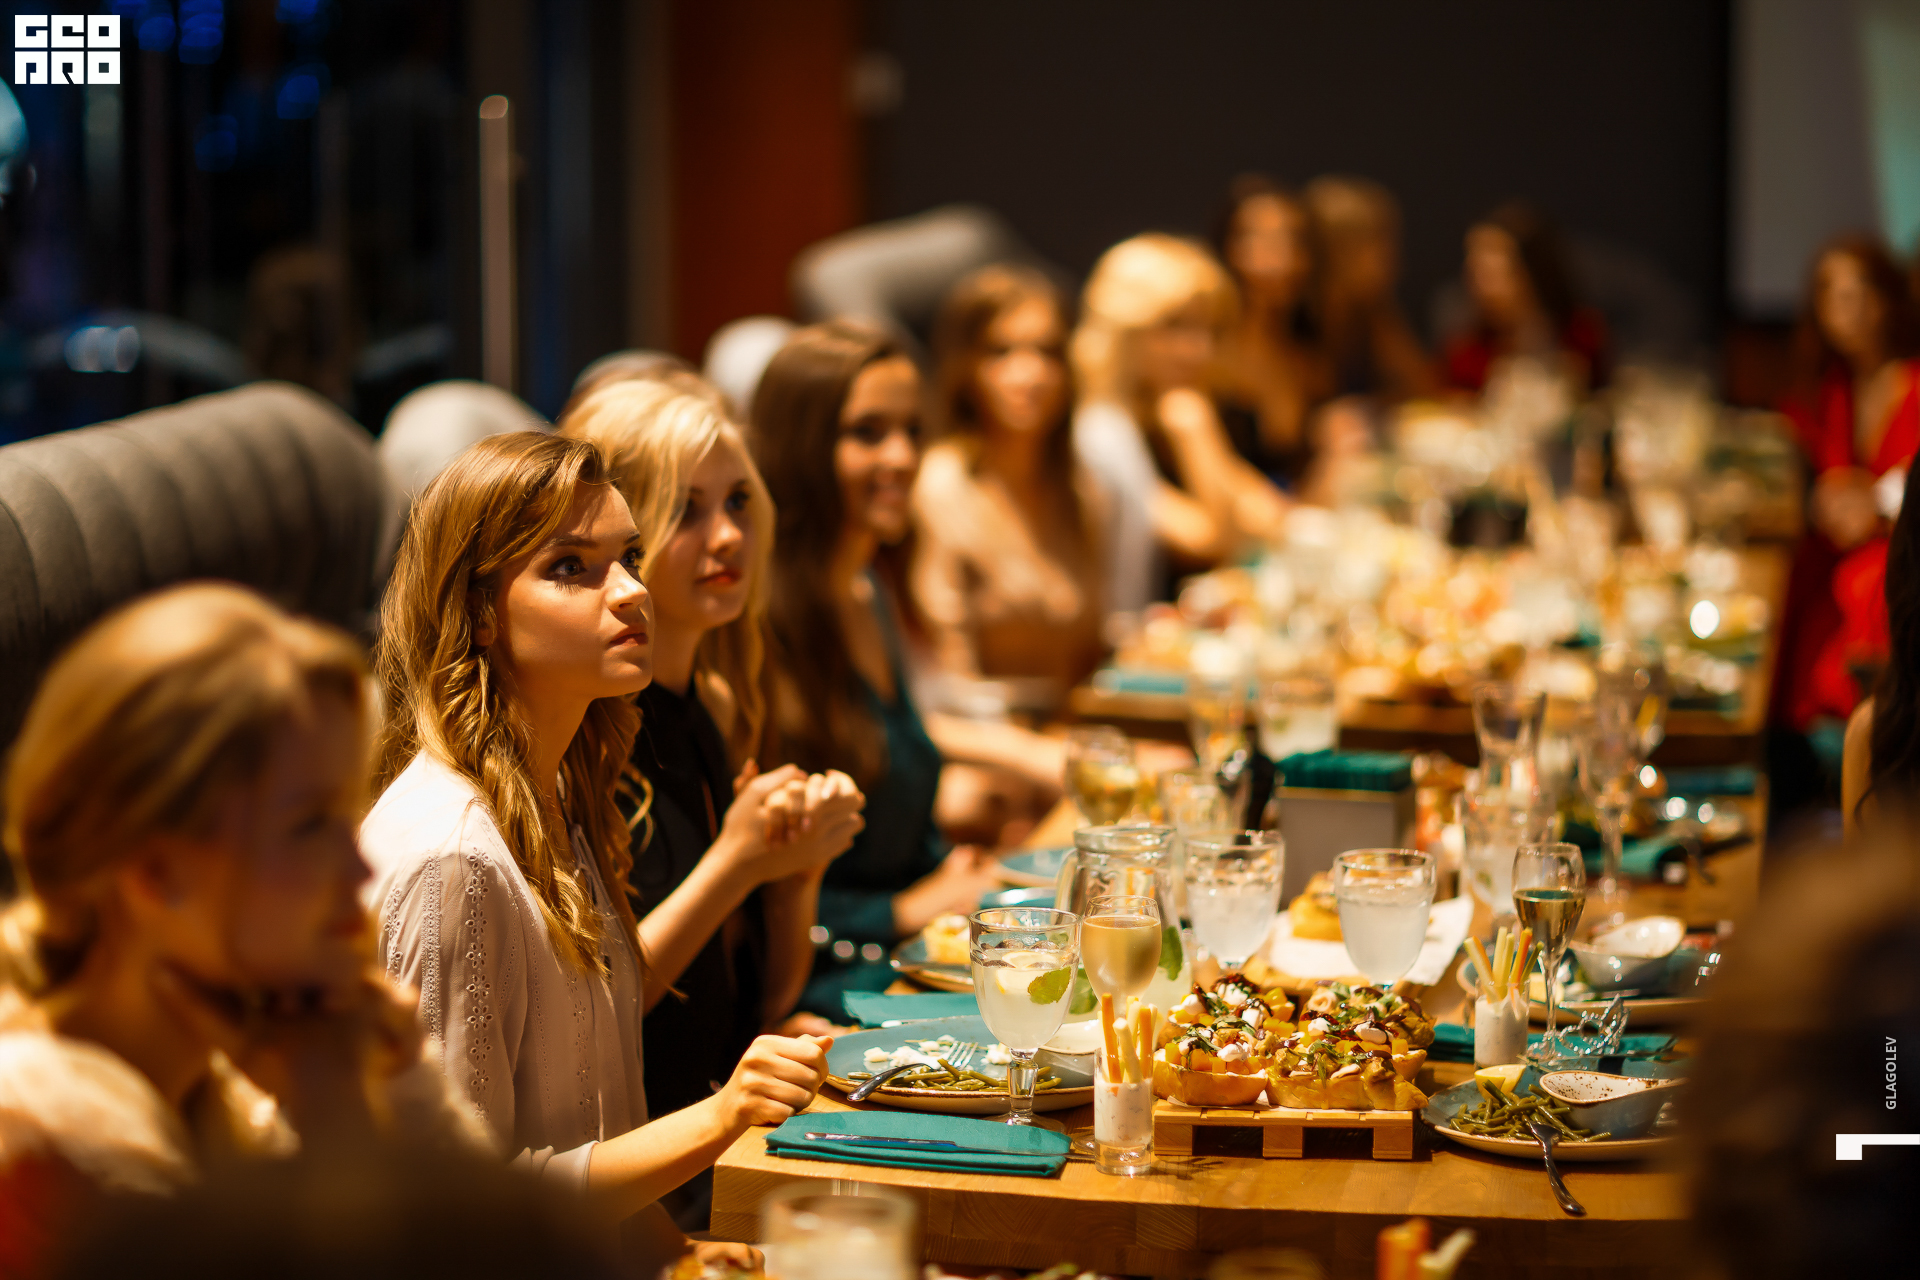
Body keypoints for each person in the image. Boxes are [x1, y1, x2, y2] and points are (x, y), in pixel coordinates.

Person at [359, 431, 829, 1263]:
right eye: (572, 567)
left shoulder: (559, 800)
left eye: (629, 558)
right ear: (477, 611)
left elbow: (595, 1122)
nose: (632, 592)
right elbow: (461, 1211)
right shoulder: (452, 859)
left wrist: (675, 1255)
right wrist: (722, 1116)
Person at [0, 584, 463, 1276]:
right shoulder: (56, 1154)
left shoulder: (224, 1086)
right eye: (311, 826)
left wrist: (383, 1082)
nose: (361, 867)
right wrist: (338, 1115)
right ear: (155, 872)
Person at [555, 377, 863, 1132]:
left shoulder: (717, 704)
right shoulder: (581, 728)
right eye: (686, 509)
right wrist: (737, 863)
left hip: (724, 1116)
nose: (726, 537)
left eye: (738, 502)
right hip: (636, 1142)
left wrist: (796, 874)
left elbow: (760, 1000)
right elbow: (599, 1008)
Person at [751, 322, 1004, 1017]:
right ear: (802, 446)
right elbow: (754, 888)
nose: (902, 456)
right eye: (867, 433)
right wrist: (902, 908)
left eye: (913, 431)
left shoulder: (868, 589)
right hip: (829, 981)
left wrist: (952, 872)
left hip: (915, 950)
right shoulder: (755, 627)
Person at [1071, 233, 1287, 612]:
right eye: (1174, 327)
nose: (1199, 349)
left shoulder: (1159, 413)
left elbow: (1271, 520)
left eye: (1208, 329)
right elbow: (1215, 542)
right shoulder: (1099, 430)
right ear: (1125, 330)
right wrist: (1195, 430)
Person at [1778, 235, 1920, 736]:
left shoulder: (1912, 383)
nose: (1847, 313)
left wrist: (1876, 508)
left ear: (1887, 300)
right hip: (1837, 564)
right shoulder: (1835, 387)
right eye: (1833, 298)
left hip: (1892, 569)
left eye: (1859, 296)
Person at [1210, 176, 1334, 492]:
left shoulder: (1308, 348)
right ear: (1229, 248)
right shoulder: (1206, 351)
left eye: (1293, 240)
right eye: (1262, 240)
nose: (1283, 258)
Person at [1440, 202, 1608, 394]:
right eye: (1473, 271)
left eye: (1491, 273)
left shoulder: (1580, 335)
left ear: (1532, 272)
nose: (1478, 286)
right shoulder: (1467, 349)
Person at [1302, 174, 1435, 401]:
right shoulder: (1300, 325)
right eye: (1380, 243)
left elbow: (1422, 385)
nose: (1394, 260)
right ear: (1340, 252)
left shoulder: (1370, 313)